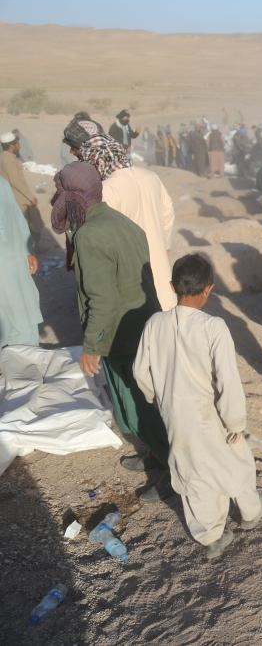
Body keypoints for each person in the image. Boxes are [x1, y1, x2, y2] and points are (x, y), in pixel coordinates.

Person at [134, 254, 262, 559]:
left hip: (175, 417)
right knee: (235, 461)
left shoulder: (155, 323)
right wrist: (235, 422)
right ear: (209, 289)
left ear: (171, 287)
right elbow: (227, 380)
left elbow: (141, 372)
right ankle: (250, 512)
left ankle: (211, 535)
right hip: (210, 414)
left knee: (192, 472)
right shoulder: (213, 326)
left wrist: (160, 399)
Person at [51, 162, 170, 499]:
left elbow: (101, 299)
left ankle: (175, 475)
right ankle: (153, 454)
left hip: (120, 333)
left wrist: (91, 346)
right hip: (142, 324)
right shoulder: (122, 223)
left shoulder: (91, 234)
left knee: (139, 403)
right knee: (139, 399)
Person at [72, 125, 177, 311]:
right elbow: (168, 214)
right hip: (159, 257)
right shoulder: (150, 176)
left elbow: (105, 235)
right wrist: (165, 245)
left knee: (139, 317)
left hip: (130, 267)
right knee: (165, 310)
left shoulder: (107, 190)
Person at [0, 176, 42, 347]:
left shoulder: (2, 184)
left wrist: (28, 251)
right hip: (9, 264)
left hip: (12, 262)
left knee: (21, 320)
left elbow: (16, 218)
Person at [0, 131, 45, 252]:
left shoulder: (5, 157)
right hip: (19, 198)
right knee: (32, 223)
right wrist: (30, 197)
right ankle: (31, 250)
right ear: (12, 145)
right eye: (17, 142)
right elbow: (16, 181)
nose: (19, 145)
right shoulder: (8, 159)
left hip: (15, 197)